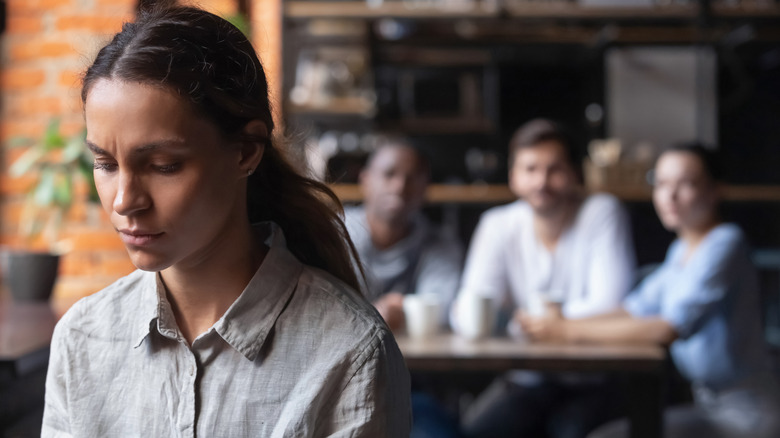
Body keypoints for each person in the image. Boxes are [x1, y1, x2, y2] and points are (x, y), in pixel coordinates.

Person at [42, 7, 410, 437]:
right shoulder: (83, 337)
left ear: (246, 150)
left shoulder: (349, 352)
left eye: (163, 165)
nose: (125, 201)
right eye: (104, 163)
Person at [522, 143, 780, 438]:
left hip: (748, 416)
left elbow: (667, 328)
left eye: (686, 184)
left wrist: (566, 332)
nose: (670, 196)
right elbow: (633, 308)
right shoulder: (681, 250)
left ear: (714, 190)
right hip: (708, 405)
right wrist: (558, 323)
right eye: (661, 184)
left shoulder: (725, 243)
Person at [452, 118, 636, 438]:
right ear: (513, 176)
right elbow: (470, 306)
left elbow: (613, 302)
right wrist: (477, 315)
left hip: (593, 378)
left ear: (575, 173)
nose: (542, 181)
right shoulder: (498, 224)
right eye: (530, 169)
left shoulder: (602, 211)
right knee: (474, 433)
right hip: (528, 377)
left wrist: (531, 323)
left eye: (554, 169)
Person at [345, 138, 463, 331]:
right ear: (365, 180)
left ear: (426, 188)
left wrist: (402, 312)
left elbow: (443, 307)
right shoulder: (333, 234)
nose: (400, 186)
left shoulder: (441, 243)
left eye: (412, 178)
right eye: (389, 174)